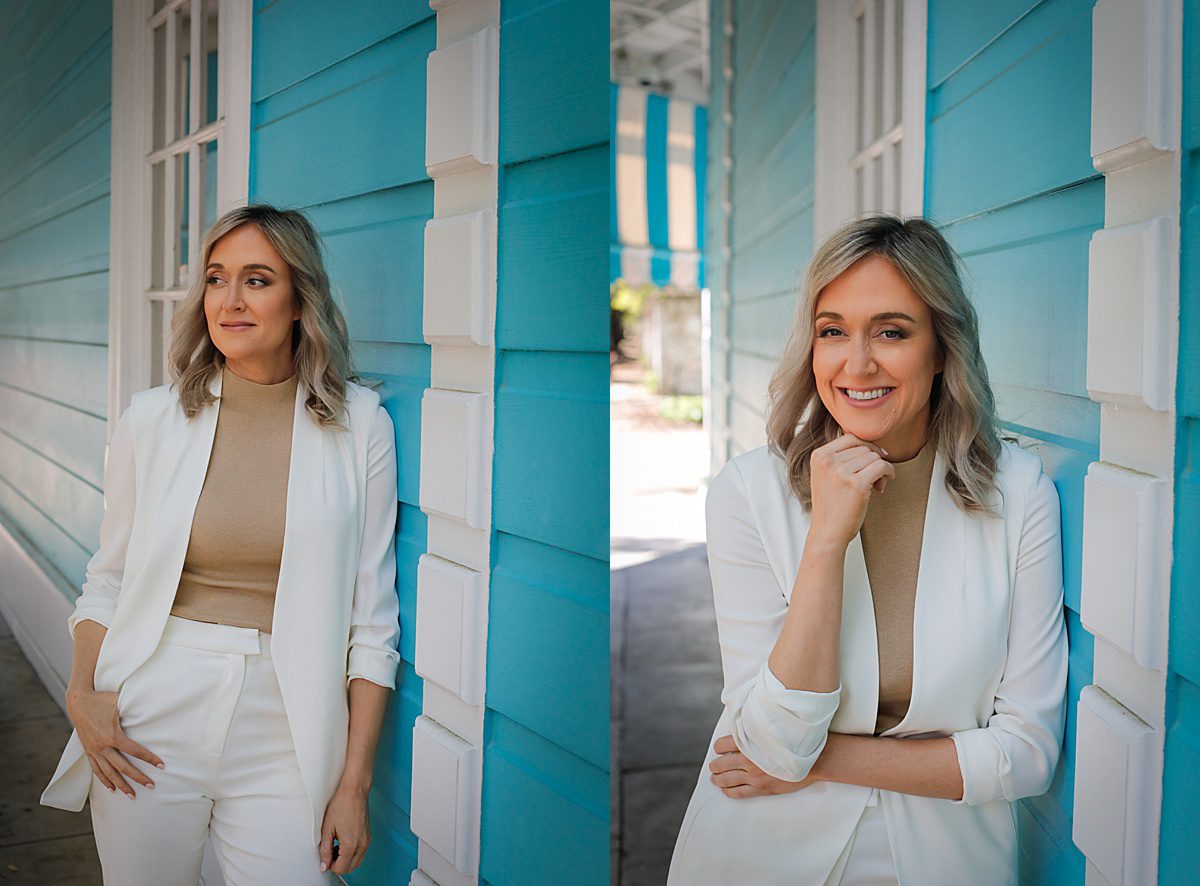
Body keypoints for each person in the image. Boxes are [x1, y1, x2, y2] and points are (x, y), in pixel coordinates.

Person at [667, 214, 1069, 885]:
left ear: (941, 347)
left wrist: (812, 761)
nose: (858, 363)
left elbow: (1025, 754)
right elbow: (771, 734)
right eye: (833, 332)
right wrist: (826, 540)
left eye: (891, 331)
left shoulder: (1019, 495)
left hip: (945, 860)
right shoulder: (748, 493)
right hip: (761, 854)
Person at [39, 204, 402, 885]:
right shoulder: (152, 419)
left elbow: (372, 625)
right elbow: (109, 577)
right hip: (153, 705)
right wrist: (82, 692)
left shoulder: (360, 428)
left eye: (257, 280)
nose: (230, 300)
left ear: (300, 299)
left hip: (288, 722)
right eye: (216, 278)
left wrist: (353, 785)